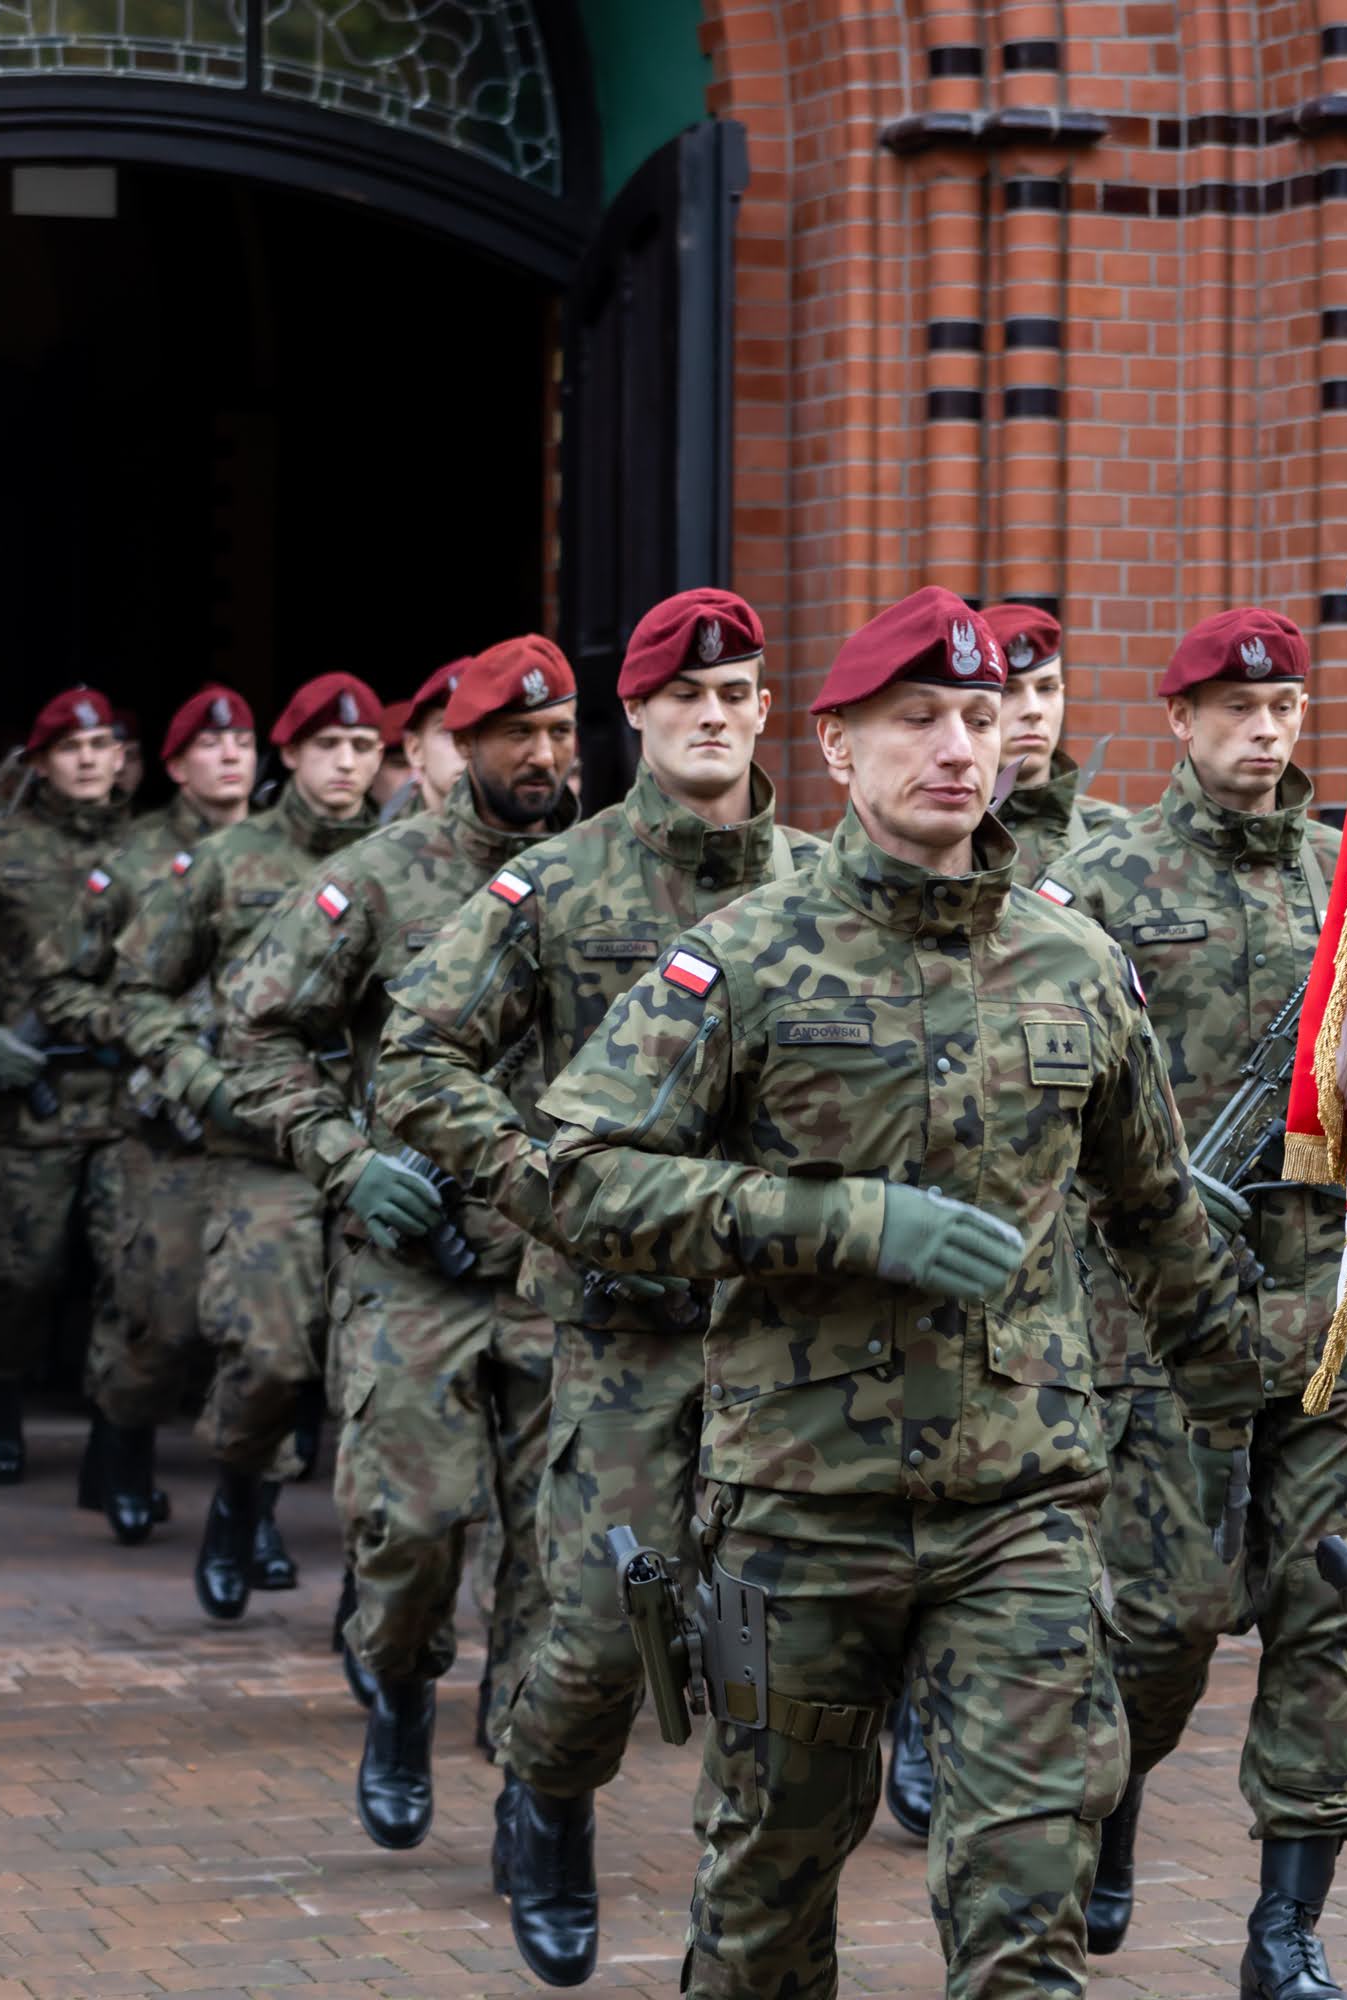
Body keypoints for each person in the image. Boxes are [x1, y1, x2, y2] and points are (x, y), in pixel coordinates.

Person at [536, 585, 1261, 2000]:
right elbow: (573, 1175)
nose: (957, 748)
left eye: (981, 719)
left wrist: (1242, 1397)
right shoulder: (742, 958)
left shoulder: (1075, 965)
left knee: (1026, 1904)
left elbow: (1159, 1214)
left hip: (1025, 1506)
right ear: (833, 747)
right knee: (765, 1899)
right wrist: (835, 1219)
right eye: (917, 718)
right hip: (800, 1507)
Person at [376, 588, 820, 1986]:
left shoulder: (824, 882)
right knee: (594, 1634)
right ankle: (548, 1793)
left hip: (795, 1331)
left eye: (733, 692)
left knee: (783, 1644)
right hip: (625, 1329)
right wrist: (529, 1177)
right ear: (632, 715)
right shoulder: (558, 886)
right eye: (680, 695)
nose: (708, 713)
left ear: (762, 712)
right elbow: (415, 1053)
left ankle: (751, 1921)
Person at [1038, 607, 1347, 1998]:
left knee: (1323, 1606)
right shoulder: (1098, 876)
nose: (1264, 732)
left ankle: (1283, 1924)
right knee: (1167, 1610)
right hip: (1158, 1309)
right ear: (1179, 722)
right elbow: (1046, 1076)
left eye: (1285, 710)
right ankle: (1111, 1795)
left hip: (1327, 1292)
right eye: (1234, 711)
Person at [217, 637, 577, 1854]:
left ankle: (537, 1802)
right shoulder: (378, 878)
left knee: (559, 1553)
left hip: (561, 1270)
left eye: (560, 731)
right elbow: (257, 1034)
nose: (541, 755)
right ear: (454, 748)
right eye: (514, 735)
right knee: (414, 1526)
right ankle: (405, 1693)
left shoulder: (607, 874)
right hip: (416, 1266)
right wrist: (344, 1160)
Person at [113, 673, 387, 1620]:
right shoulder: (228, 861)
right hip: (264, 1145)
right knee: (268, 1353)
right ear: (292, 755)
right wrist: (202, 1083)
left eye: (365, 749)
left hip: (376, 1155)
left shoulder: (410, 860)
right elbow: (139, 989)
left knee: (379, 1374)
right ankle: (238, 1502)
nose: (348, 765)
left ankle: (373, 1585)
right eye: (329, 748)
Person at [59, 686, 259, 1545]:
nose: (230, 757)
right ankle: (124, 1444)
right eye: (211, 747)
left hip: (269, 1127)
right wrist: (139, 1033)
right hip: (161, 1123)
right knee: (161, 1316)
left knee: (270, 1333)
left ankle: (248, 1511)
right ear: (174, 764)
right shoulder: (134, 859)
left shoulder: (291, 854)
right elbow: (65, 982)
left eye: (245, 743)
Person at [0, 687, 132, 1484]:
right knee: (18, 1274)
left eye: (100, 746)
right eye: (69, 748)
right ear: (43, 762)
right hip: (26, 1101)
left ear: (121, 757)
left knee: (133, 1275)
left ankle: (119, 1436)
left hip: (132, 1101)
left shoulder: (156, 852)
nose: (87, 760)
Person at [987, 603, 1124, 880]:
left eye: (1046, 688)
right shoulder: (940, 835)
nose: (1033, 709)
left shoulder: (1116, 837)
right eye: (1007, 690)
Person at [387, 657, 472, 821]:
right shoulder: (381, 846)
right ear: (415, 750)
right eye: (450, 731)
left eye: (485, 731)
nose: (468, 747)